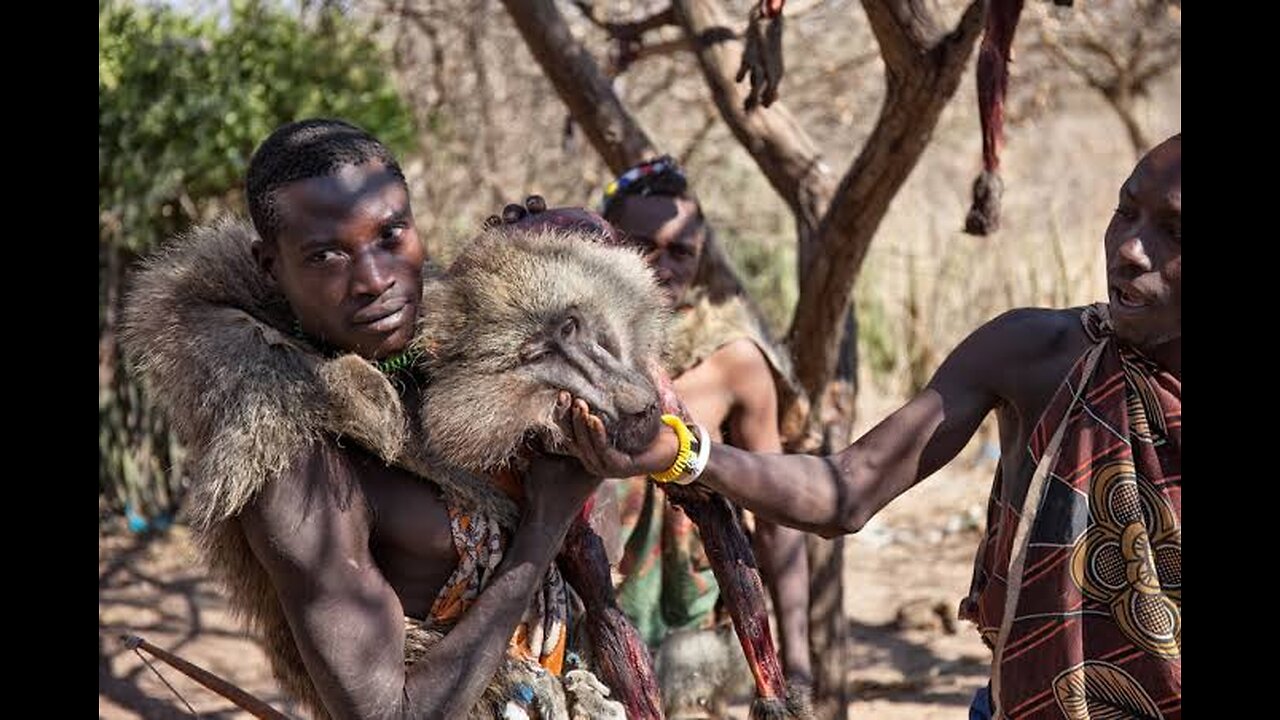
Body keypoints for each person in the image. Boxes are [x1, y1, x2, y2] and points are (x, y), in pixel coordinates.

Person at [562, 134, 1182, 719]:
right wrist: (683, 454)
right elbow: (848, 488)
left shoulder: (730, 353)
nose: (1130, 249)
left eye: (1173, 232)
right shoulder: (1036, 354)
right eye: (1125, 212)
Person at [121, 118, 626, 720]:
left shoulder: (458, 359)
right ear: (269, 266)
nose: (374, 280)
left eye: (390, 234)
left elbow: (603, 542)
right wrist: (543, 526)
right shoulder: (290, 466)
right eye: (326, 254)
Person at [597, 157, 813, 703]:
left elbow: (776, 513)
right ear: (604, 243)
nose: (661, 264)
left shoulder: (729, 358)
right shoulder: (568, 348)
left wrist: (796, 663)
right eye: (641, 245)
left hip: (688, 633)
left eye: (680, 251)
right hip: (584, 613)